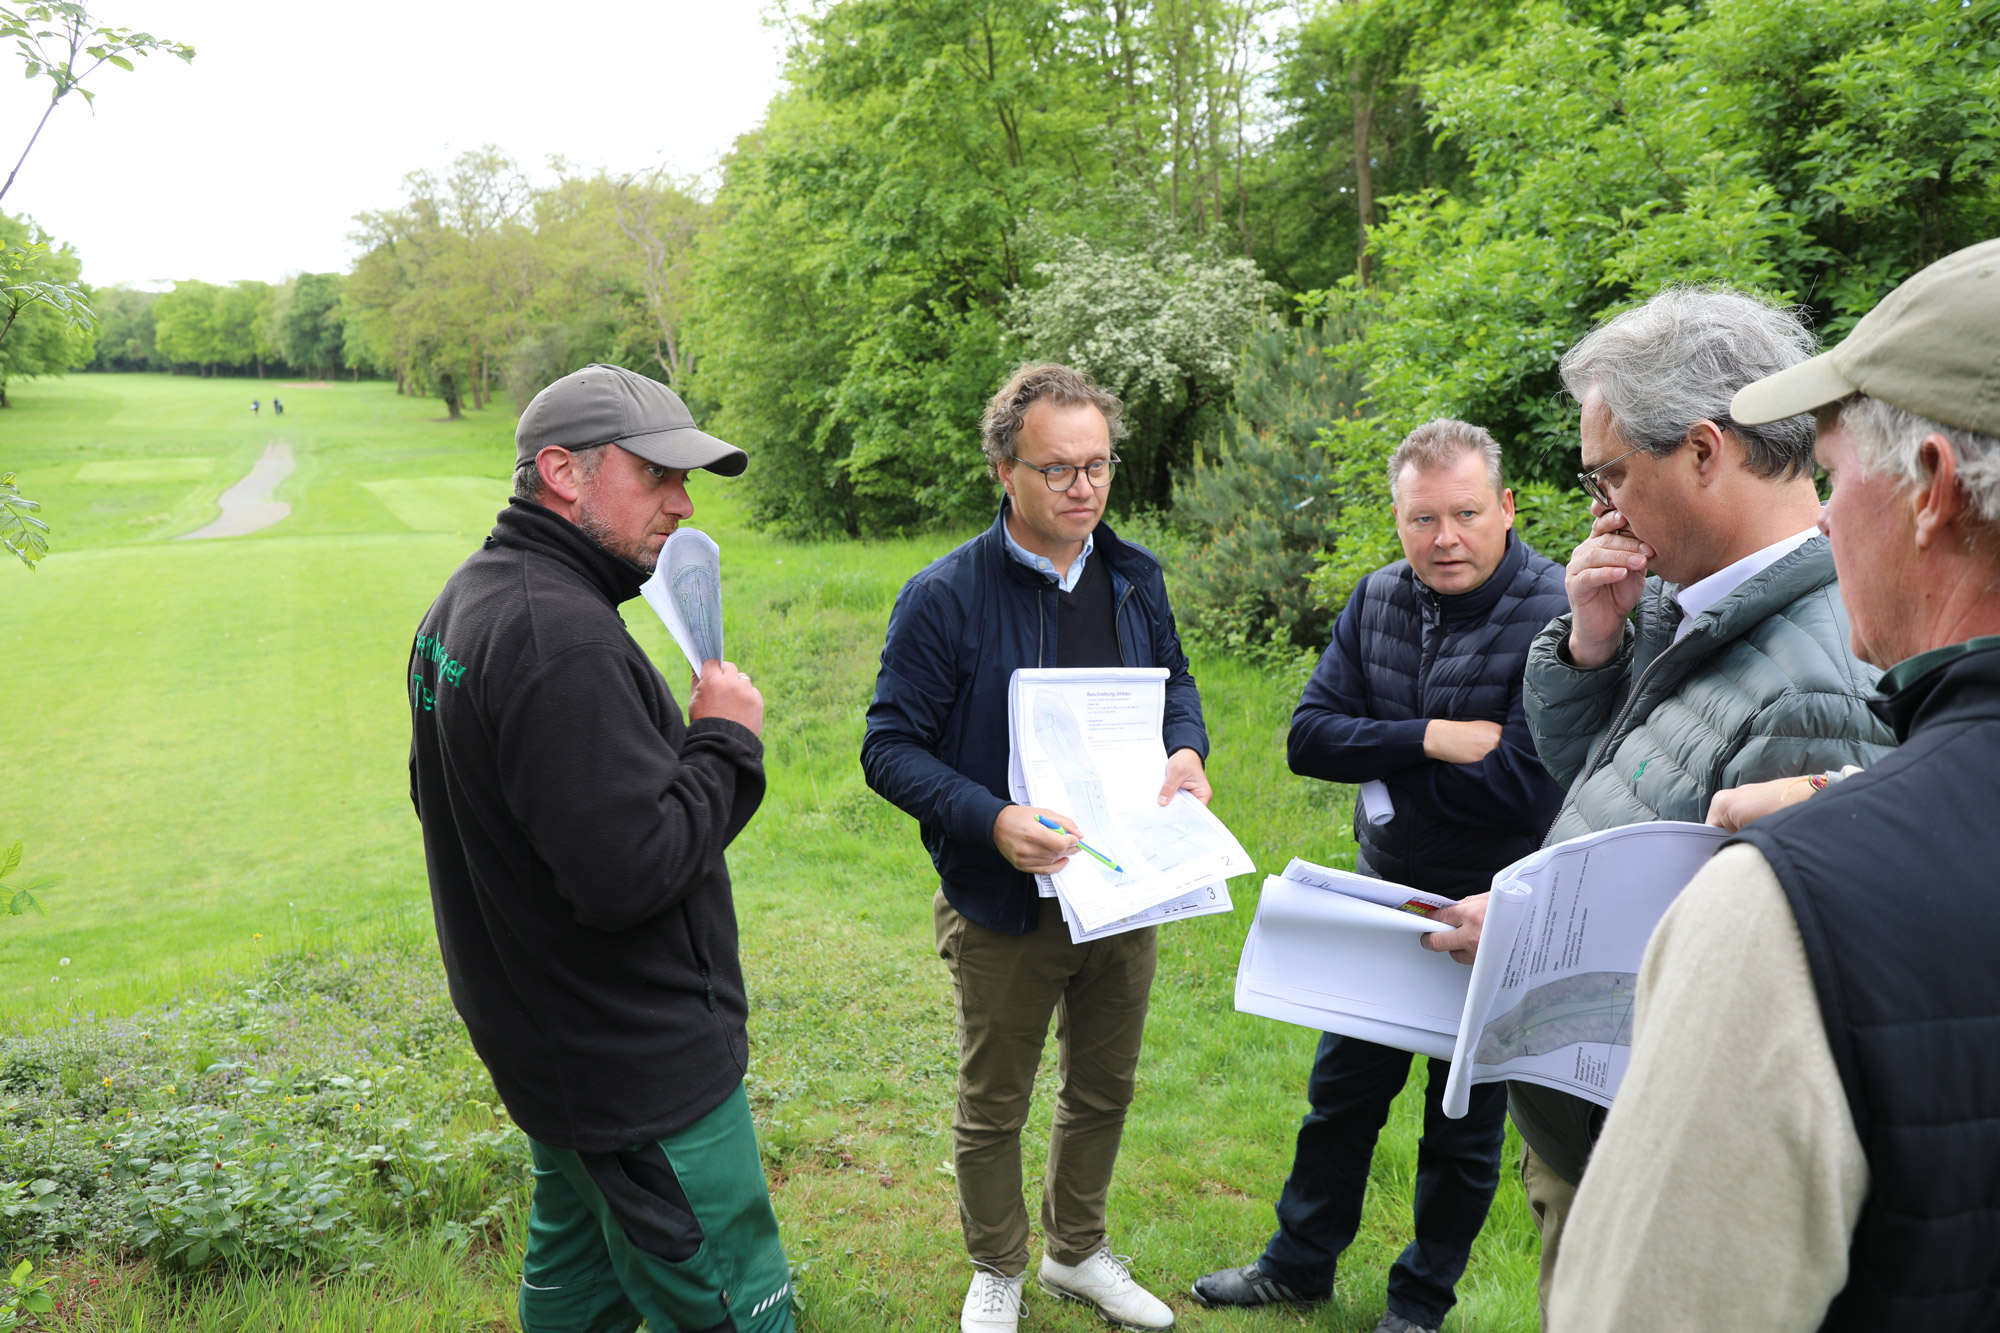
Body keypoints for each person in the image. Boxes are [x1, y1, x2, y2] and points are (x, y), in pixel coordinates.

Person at [1549, 237, 2000, 1331]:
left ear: (1930, 492)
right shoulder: (1675, 604)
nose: (1823, 514)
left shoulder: (1787, 906)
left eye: (1838, 478)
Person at [1419, 286, 1895, 1320]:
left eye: (1609, 475)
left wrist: (1526, 931)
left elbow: (1750, 988)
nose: (1599, 511)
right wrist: (1591, 643)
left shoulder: (1809, 681)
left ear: (1701, 451)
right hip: (1591, 1121)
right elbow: (1595, 771)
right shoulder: (1701, 599)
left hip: (1644, 1161)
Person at [407, 363, 793, 1333]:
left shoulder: (461, 605)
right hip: (640, 1084)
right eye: (656, 475)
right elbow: (630, 874)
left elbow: (443, 802)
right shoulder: (560, 639)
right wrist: (726, 740)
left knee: (581, 1303)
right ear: (563, 473)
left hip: (557, 1068)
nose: (683, 501)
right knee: (733, 1309)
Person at [1191, 420, 1569, 1333]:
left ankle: (1419, 1304)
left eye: (1467, 513)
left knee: (1463, 1130)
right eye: (1421, 518)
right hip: (1379, 897)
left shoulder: (1558, 611)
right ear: (1397, 520)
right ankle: (1297, 1266)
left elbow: (1526, 785)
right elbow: (1307, 737)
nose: (1445, 538)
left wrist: (1385, 760)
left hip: (1489, 915)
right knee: (1339, 1101)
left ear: (1505, 508)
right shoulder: (1378, 598)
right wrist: (1428, 738)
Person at [860, 363, 1208, 1333]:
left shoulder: (1133, 576)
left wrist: (1185, 747)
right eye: (1057, 469)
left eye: (1096, 465)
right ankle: (996, 1265)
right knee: (995, 1099)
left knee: (1102, 1086)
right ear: (1004, 470)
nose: (1082, 488)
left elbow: (1173, 682)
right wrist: (989, 816)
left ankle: (1076, 1251)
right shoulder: (944, 597)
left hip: (1124, 885)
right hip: (1003, 903)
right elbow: (887, 748)